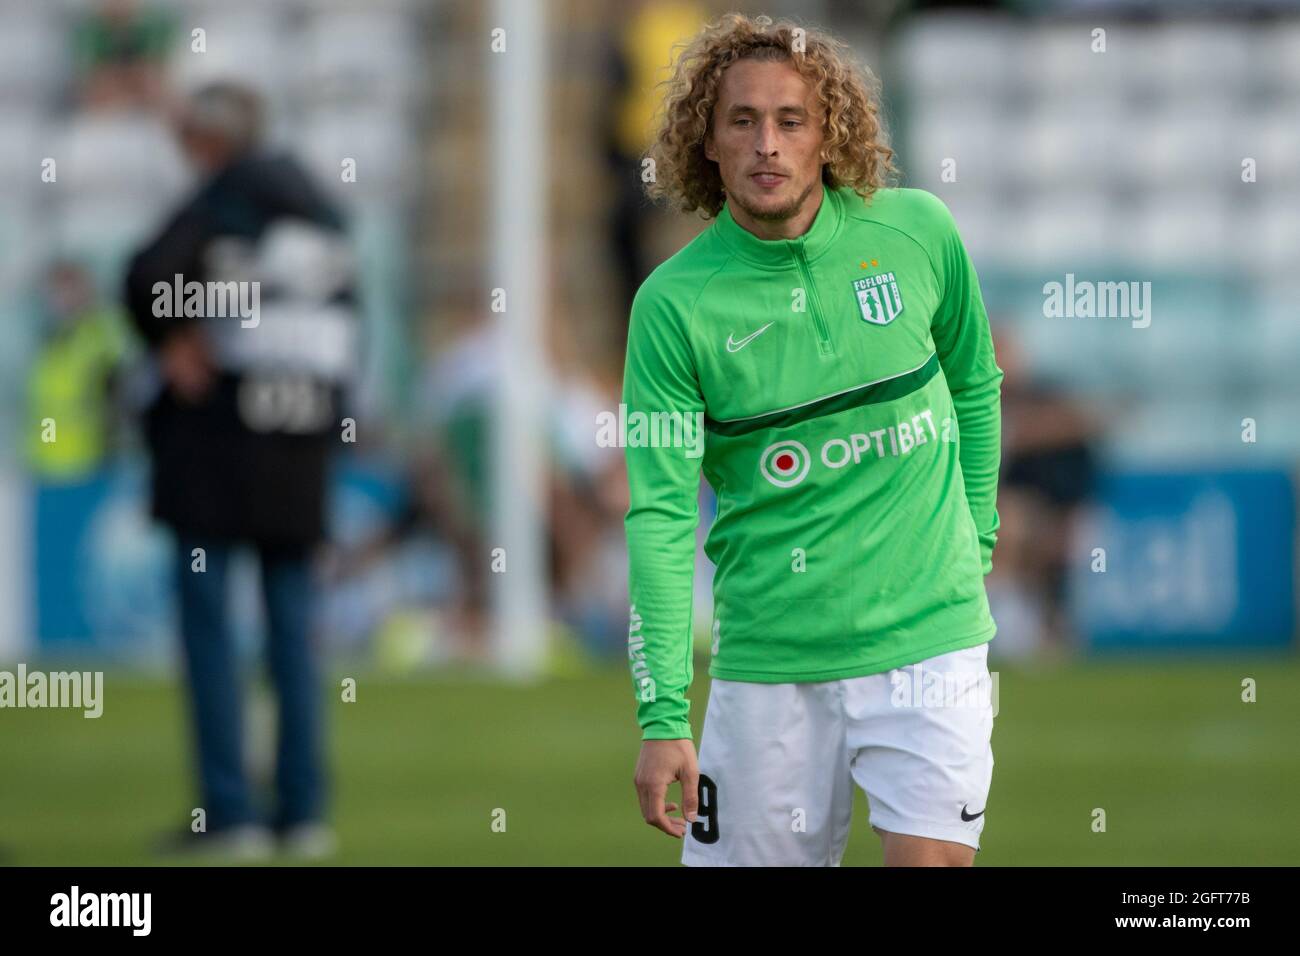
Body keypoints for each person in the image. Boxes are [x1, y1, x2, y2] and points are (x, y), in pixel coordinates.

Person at [624, 14, 1003, 866]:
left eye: (790, 120)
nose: (767, 144)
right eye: (742, 121)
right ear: (707, 144)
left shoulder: (918, 234)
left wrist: (976, 534)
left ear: (828, 133)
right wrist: (661, 716)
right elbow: (658, 514)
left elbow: (976, 385)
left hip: (929, 645)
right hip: (769, 664)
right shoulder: (673, 306)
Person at [123, 82, 357, 860]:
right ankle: (303, 811)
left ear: (211, 140)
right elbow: (348, 336)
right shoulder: (328, 220)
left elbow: (146, 276)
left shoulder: (226, 201)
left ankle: (230, 813)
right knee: (293, 632)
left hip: (217, 448)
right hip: (299, 450)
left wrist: (171, 336)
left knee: (211, 632)